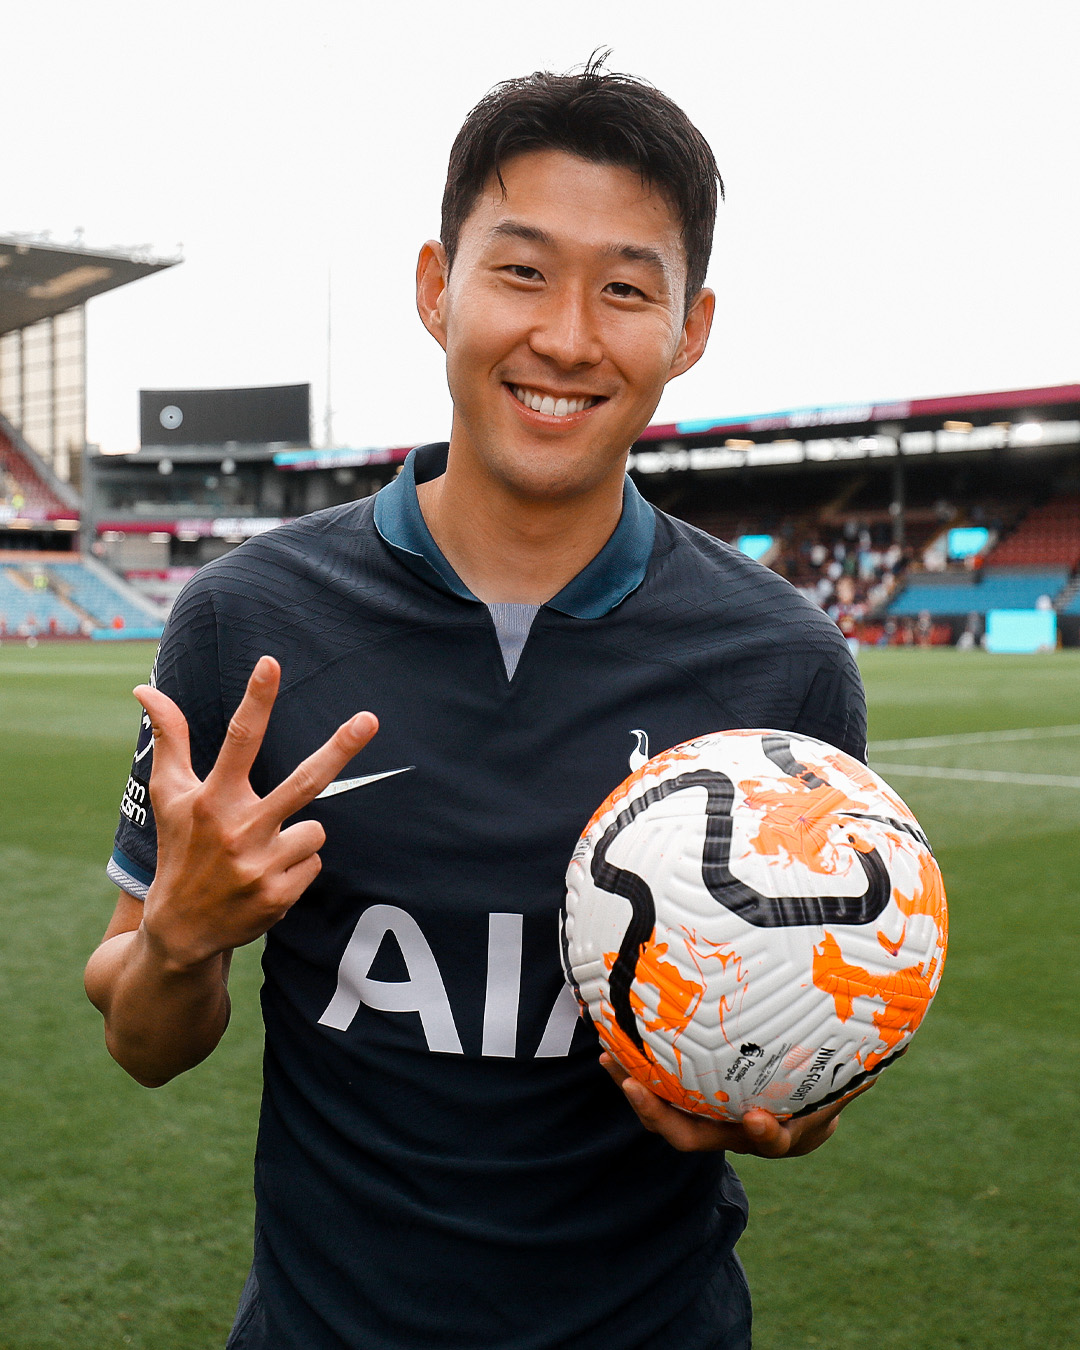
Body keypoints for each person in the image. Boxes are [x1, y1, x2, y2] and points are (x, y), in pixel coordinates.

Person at [86, 56, 867, 1350]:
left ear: (692, 327)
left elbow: (803, 1052)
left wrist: (785, 1097)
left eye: (625, 287)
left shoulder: (782, 668)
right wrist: (179, 938)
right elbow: (141, 1035)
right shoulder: (245, 619)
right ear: (436, 289)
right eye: (521, 270)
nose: (566, 334)